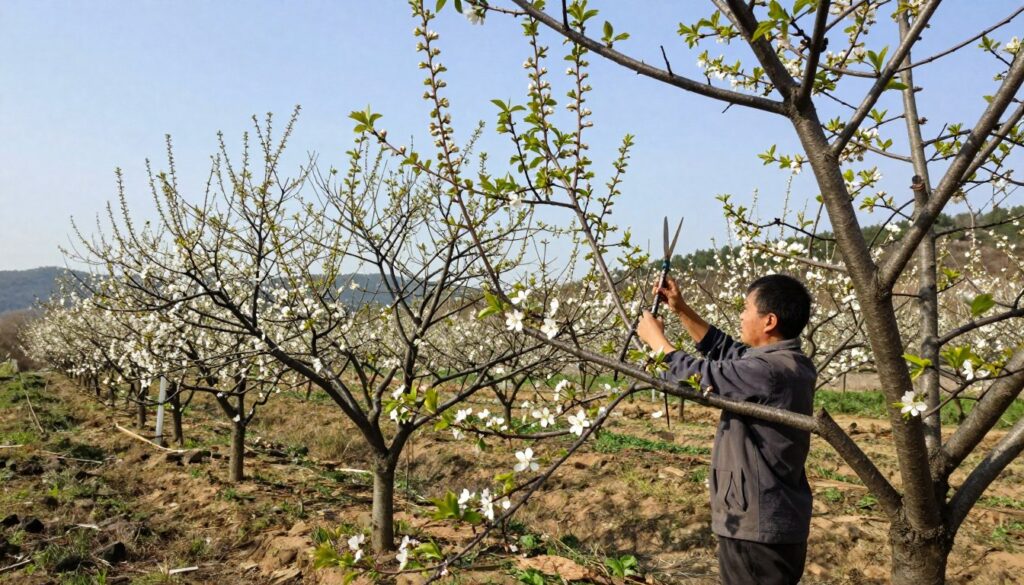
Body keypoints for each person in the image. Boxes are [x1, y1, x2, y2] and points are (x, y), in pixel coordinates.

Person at [636, 274, 816, 585]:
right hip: (766, 518)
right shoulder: (786, 363)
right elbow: (724, 351)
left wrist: (658, 344)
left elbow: (702, 376)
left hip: (757, 526)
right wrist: (681, 309)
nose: (742, 316)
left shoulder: (769, 371)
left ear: (769, 321)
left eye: (747, 309)